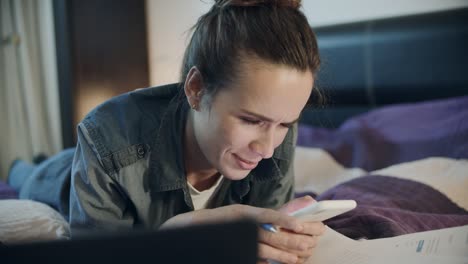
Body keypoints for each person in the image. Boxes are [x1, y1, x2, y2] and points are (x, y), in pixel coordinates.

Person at [8, 0, 324, 263]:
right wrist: (180, 230)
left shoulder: (275, 139)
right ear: (196, 89)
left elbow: (269, 241)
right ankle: (19, 166)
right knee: (27, 176)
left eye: (284, 123)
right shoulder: (108, 140)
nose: (268, 148)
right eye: (251, 120)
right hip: (63, 177)